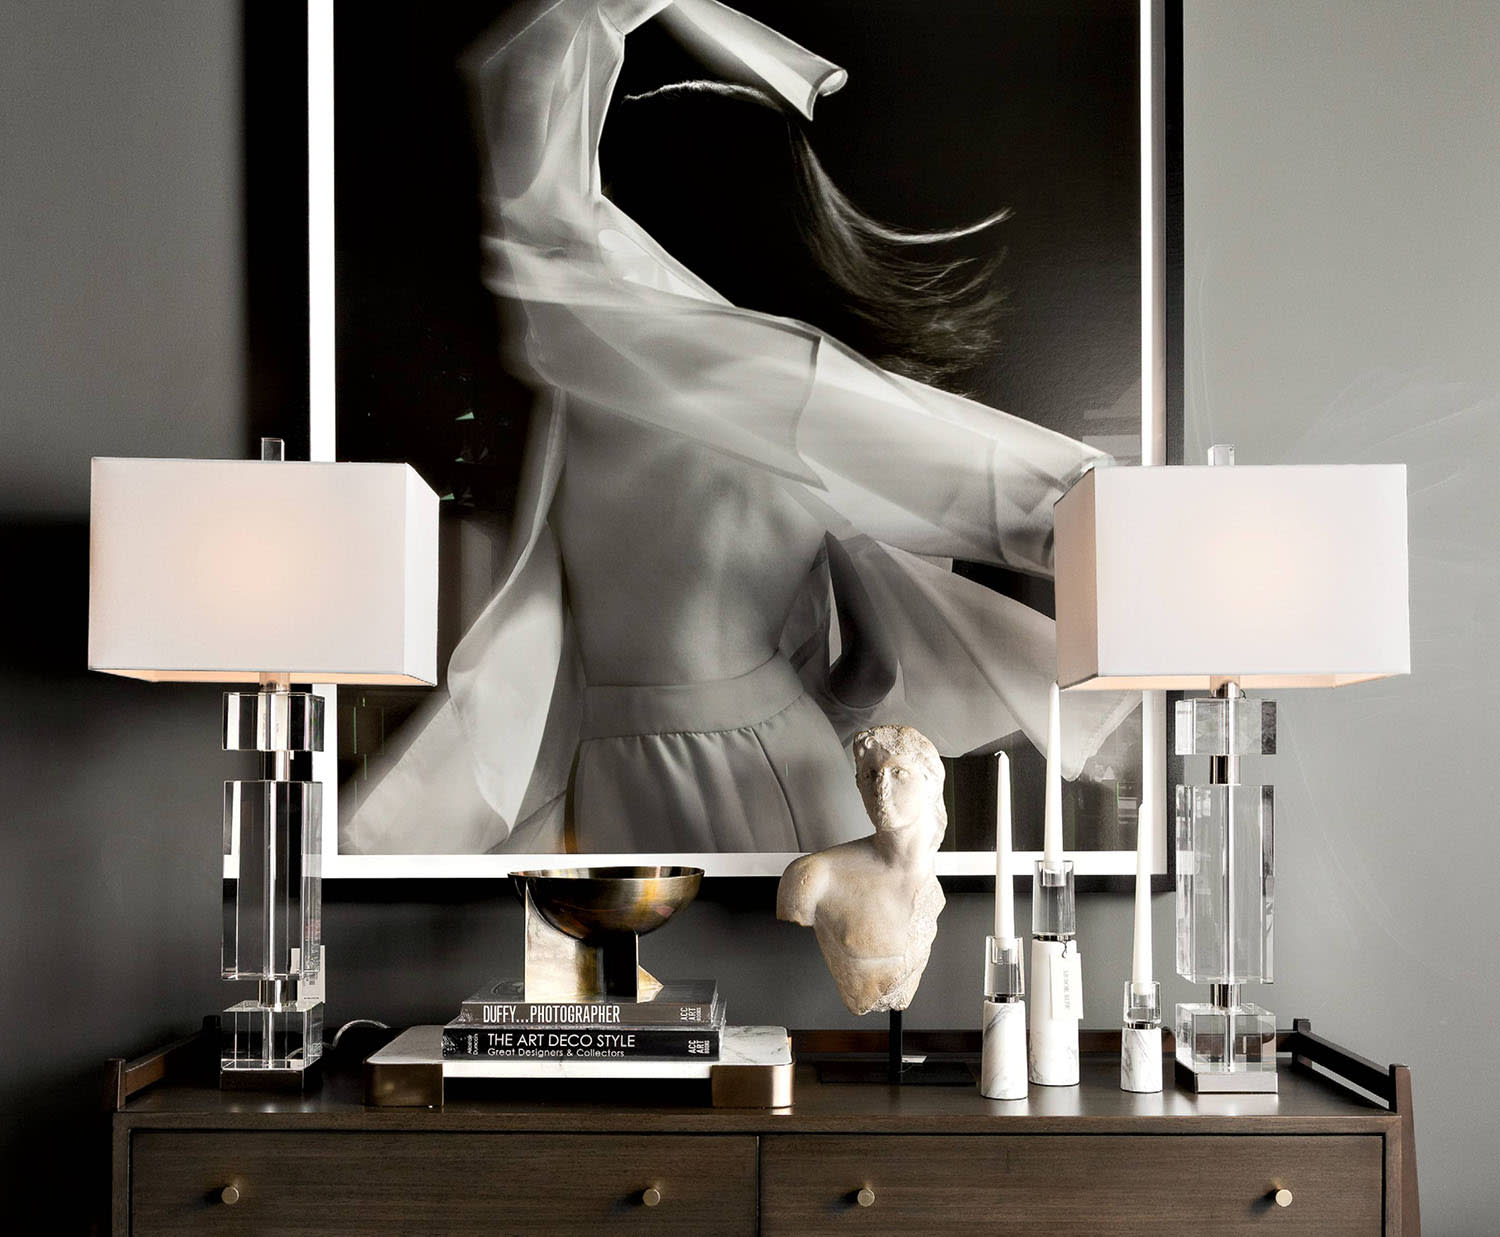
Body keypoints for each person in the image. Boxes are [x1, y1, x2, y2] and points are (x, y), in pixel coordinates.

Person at [342, 0, 1132, 857]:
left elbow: (539, 174)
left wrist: (600, 21)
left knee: (651, 982)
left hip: (625, 761)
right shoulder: (781, 396)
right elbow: (888, 636)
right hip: (753, 756)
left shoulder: (594, 365)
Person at [777, 726, 947, 1014]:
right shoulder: (812, 877)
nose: (881, 788)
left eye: (898, 773)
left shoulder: (929, 890)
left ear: (930, 782)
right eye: (870, 775)